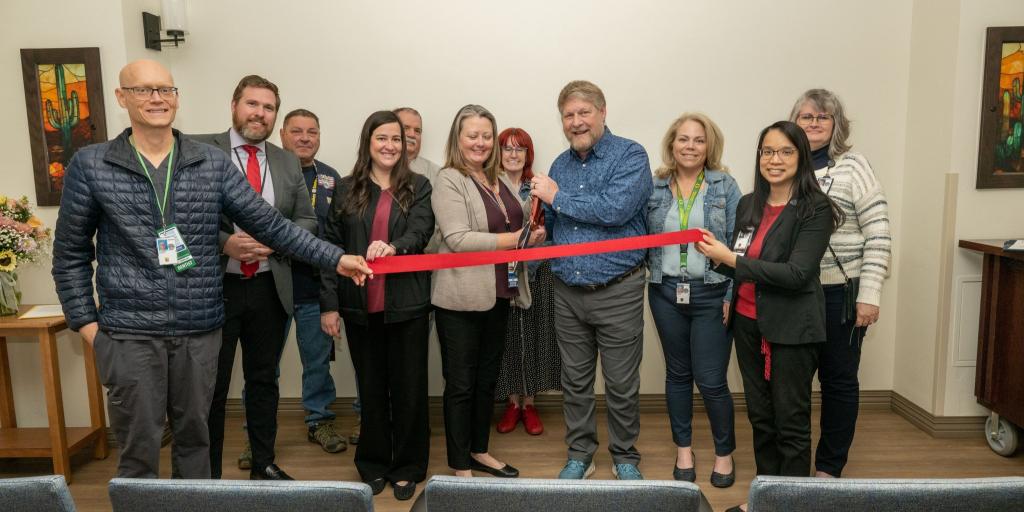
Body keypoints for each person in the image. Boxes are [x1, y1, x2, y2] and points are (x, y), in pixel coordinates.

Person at [51, 59, 371, 480]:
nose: (157, 99)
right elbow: (70, 254)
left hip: (199, 328)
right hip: (129, 331)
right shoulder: (91, 164)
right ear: (121, 97)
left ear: (177, 99)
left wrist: (336, 258)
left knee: (196, 445)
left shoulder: (209, 162)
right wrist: (89, 328)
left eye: (165, 90)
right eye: (144, 90)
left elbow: (271, 224)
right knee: (138, 450)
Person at [695, 121, 842, 512]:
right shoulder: (749, 204)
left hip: (792, 330)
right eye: (767, 152)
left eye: (785, 152)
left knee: (790, 424)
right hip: (747, 324)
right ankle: (768, 500)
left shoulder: (816, 209)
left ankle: (791, 504)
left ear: (802, 157)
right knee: (761, 419)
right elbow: (741, 266)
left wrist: (731, 259)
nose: (774, 160)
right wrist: (714, 255)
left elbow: (797, 275)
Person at [192, 75, 316, 480]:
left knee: (264, 381)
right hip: (214, 288)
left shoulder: (285, 160)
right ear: (234, 106)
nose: (259, 113)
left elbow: (307, 220)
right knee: (210, 387)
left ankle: (262, 463)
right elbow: (176, 218)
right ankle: (206, 476)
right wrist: (224, 242)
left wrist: (276, 243)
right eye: (252, 104)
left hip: (269, 287)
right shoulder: (198, 150)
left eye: (268, 107)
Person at [530, 80, 653, 480]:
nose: (576, 121)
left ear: (602, 113)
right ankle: (580, 454)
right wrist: (537, 230)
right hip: (567, 291)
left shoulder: (631, 155)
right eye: (568, 115)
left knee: (620, 383)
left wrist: (556, 198)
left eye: (584, 112)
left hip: (618, 288)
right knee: (575, 382)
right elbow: (554, 224)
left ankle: (625, 458)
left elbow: (615, 209)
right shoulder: (559, 167)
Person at [319, 110, 434, 500]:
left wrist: (394, 247)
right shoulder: (346, 187)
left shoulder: (419, 186)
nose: (390, 146)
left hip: (408, 306)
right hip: (359, 308)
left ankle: (408, 466)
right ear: (368, 142)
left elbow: (420, 232)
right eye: (382, 138)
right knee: (370, 388)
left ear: (405, 146)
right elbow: (330, 249)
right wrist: (329, 305)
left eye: (397, 139)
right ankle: (372, 463)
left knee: (409, 389)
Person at [432, 104, 545, 478]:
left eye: (485, 135)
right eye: (472, 135)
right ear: (457, 139)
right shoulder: (450, 178)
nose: (480, 142)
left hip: (501, 293)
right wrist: (513, 239)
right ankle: (460, 466)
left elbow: (513, 233)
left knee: (486, 381)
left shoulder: (496, 178)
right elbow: (457, 238)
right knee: (461, 385)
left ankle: (479, 451)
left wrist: (529, 240)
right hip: (461, 299)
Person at [789, 89, 892, 478]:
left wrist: (869, 295)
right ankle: (794, 469)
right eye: (806, 117)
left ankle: (829, 469)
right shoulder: (784, 164)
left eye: (822, 117)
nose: (814, 123)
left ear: (836, 125)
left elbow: (879, 233)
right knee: (793, 387)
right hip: (794, 295)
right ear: (794, 122)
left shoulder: (853, 166)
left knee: (838, 384)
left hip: (840, 295)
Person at [646, 113, 740, 486]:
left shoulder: (724, 185)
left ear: (709, 147)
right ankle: (683, 449)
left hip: (712, 293)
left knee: (712, 380)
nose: (689, 146)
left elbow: (737, 242)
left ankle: (724, 453)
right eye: (683, 139)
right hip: (665, 292)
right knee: (678, 374)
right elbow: (637, 234)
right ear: (672, 144)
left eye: (698, 140)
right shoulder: (654, 186)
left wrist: (732, 292)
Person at [278, 108, 348, 453]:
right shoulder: (267, 172)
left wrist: (330, 299)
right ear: (282, 135)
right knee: (262, 367)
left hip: (313, 291)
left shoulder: (332, 179)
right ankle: (255, 434)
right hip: (269, 287)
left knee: (317, 361)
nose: (305, 138)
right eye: (297, 131)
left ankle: (319, 421)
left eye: (312, 132)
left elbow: (336, 238)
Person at [494, 127, 561, 436]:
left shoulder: (538, 187)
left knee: (535, 336)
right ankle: (511, 403)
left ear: (528, 155)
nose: (513, 154)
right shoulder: (486, 186)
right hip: (497, 274)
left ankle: (530, 403)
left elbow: (555, 233)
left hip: (535, 274)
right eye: (507, 148)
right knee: (505, 338)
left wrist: (539, 242)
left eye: (519, 149)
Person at [395, 107, 442, 184]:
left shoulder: (436, 174)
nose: (412, 135)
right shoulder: (377, 168)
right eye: (405, 128)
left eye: (417, 131)